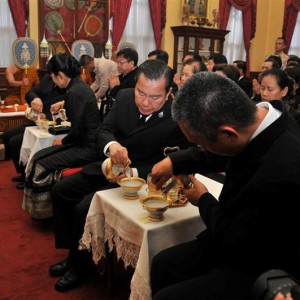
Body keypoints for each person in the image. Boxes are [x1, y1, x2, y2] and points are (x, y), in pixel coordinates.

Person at [150, 72, 300, 300]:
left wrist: (203, 199)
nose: (202, 149)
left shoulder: (278, 176)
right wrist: (175, 160)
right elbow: (225, 152)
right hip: (242, 233)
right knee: (163, 263)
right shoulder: (271, 114)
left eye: (202, 144)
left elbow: (234, 241)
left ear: (228, 133)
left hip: (261, 263)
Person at [49, 59, 189, 292]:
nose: (145, 102)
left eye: (154, 97)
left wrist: (132, 173)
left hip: (140, 182)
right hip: (108, 167)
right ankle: (73, 251)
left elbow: (169, 164)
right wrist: (112, 146)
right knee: (61, 191)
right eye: (140, 93)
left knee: (84, 208)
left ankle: (80, 267)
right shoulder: (124, 97)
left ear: (168, 93)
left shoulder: (177, 120)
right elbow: (104, 130)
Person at [22, 53, 101, 220]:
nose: (53, 80)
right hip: (83, 142)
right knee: (37, 158)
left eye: (53, 76)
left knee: (40, 164)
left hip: (88, 147)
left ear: (60, 75)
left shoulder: (75, 91)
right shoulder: (78, 86)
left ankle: (45, 213)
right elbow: (73, 100)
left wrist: (63, 141)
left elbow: (77, 129)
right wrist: (63, 102)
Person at [2, 73, 67, 190]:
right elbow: (30, 93)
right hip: (38, 120)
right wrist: (35, 98)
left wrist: (45, 115)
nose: (52, 76)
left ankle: (28, 177)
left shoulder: (69, 84)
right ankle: (23, 172)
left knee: (15, 141)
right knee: (7, 136)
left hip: (52, 122)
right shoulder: (48, 79)